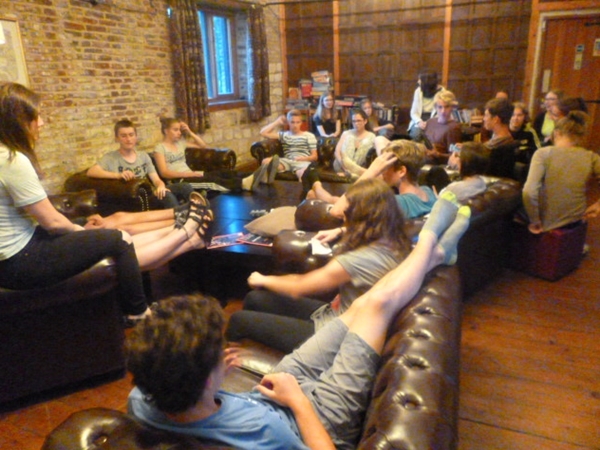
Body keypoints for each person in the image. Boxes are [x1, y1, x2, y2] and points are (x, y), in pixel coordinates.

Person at [125, 191, 472, 450]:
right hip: (321, 416)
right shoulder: (262, 431)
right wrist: (298, 401)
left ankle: (437, 253)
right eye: (220, 354)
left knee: (361, 305)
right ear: (205, 382)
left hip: (272, 389)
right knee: (376, 304)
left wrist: (213, 374)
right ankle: (430, 244)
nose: (227, 355)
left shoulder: (141, 400)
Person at [0, 83, 209, 326]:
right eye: (35, 117)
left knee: (107, 227)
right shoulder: (12, 160)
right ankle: (138, 312)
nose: (42, 122)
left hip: (20, 250)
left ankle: (185, 228)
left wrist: (80, 229)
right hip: (20, 262)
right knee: (119, 239)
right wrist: (80, 232)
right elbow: (53, 222)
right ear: (17, 122)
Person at [226, 178, 411, 353]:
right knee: (254, 298)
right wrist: (341, 230)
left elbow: (298, 287)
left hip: (332, 337)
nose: (343, 219)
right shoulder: (395, 242)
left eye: (347, 216)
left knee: (238, 320)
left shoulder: (357, 260)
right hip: (337, 316)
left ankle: (229, 369)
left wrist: (263, 279)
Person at [308, 139, 436, 220]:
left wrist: (371, 171)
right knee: (320, 196)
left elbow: (336, 211)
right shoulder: (428, 193)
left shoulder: (397, 203)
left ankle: (315, 183)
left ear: (401, 171)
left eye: (385, 166)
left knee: (314, 197)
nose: (382, 170)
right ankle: (316, 185)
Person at [522, 111, 600, 234]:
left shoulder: (543, 154)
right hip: (577, 220)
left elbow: (529, 192)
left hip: (547, 225)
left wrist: (535, 221)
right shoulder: (591, 157)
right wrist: (598, 205)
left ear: (556, 133)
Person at [87, 119, 190, 208]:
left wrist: (160, 186)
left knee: (185, 187)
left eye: (131, 135)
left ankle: (194, 216)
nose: (128, 139)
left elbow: (156, 180)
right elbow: (91, 171)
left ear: (136, 137)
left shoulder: (143, 156)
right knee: (166, 196)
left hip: (150, 193)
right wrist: (118, 175)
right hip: (134, 200)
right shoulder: (111, 157)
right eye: (123, 136)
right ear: (117, 138)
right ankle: (181, 218)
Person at [153, 117, 254, 192]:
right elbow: (164, 173)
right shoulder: (160, 148)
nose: (179, 132)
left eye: (179, 130)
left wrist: (190, 132)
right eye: (175, 130)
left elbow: (203, 146)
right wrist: (189, 174)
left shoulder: (180, 143)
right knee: (212, 180)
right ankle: (242, 184)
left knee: (221, 173)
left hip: (191, 174)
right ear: (166, 131)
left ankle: (253, 176)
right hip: (180, 180)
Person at [257, 110, 318, 186]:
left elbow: (315, 156)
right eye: (292, 122)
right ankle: (268, 182)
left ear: (301, 123)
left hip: (302, 162)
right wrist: (277, 122)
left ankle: (302, 191)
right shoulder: (284, 135)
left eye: (297, 122)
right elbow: (263, 133)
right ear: (288, 123)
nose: (295, 125)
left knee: (302, 174)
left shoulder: (309, 135)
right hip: (287, 161)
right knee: (265, 161)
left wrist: (303, 158)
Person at [332, 108, 376, 178]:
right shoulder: (346, 133)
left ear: (365, 121)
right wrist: (345, 167)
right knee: (350, 138)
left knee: (367, 141)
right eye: (354, 121)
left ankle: (354, 172)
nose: (356, 123)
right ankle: (352, 172)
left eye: (359, 121)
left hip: (359, 167)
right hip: (342, 165)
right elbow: (337, 152)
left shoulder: (372, 136)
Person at [407, 71, 445, 141]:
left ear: (427, 81)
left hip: (435, 121)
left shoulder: (443, 92)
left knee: (433, 135)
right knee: (416, 134)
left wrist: (430, 123)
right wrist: (419, 121)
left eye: (420, 80)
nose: (418, 82)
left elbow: (442, 112)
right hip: (419, 119)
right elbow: (413, 112)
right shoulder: (418, 91)